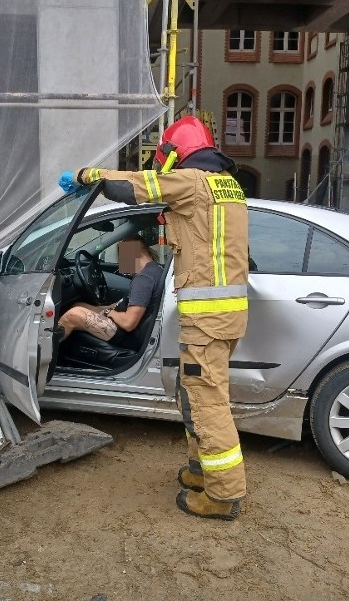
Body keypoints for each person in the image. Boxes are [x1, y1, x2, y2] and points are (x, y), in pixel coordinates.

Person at [59, 116, 249, 521]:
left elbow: (133, 185)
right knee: (194, 395)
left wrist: (86, 175)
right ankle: (202, 472)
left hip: (207, 319)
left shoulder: (193, 181)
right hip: (223, 316)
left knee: (208, 402)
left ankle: (222, 496)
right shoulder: (226, 187)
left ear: (179, 156)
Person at [59, 235, 163, 349]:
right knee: (78, 305)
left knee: (73, 315)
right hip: (124, 322)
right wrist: (108, 309)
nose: (121, 262)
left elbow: (129, 323)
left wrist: (109, 312)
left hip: (127, 334)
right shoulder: (155, 269)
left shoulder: (144, 279)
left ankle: (45, 352)